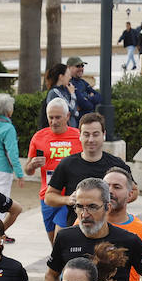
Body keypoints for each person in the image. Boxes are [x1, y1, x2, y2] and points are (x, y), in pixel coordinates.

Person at [44, 112, 130, 213]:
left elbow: (134, 191)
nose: (91, 139)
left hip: (110, 225)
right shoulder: (67, 164)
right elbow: (48, 197)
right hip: (76, 224)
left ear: (104, 135)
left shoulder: (117, 164)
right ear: (80, 136)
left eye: (95, 134)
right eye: (86, 134)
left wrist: (117, 200)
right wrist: (68, 199)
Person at [26, 100, 85, 242]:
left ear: (67, 116)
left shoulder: (79, 136)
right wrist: (32, 165)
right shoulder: (38, 137)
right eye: (50, 117)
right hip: (47, 196)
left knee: (60, 237)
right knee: (54, 245)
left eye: (58, 117)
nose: (54, 121)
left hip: (70, 196)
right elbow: (28, 170)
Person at [44, 62, 81, 128]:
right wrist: (72, 94)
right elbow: (72, 110)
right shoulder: (55, 92)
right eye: (68, 75)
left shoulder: (64, 91)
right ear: (61, 77)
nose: (70, 77)